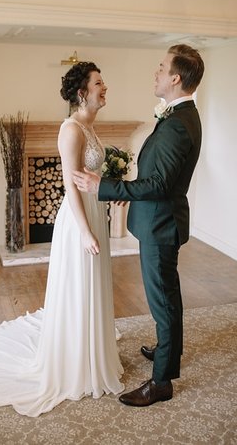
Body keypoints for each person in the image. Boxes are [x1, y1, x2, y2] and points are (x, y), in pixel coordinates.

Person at [0, 62, 123, 417]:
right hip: (79, 220)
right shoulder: (71, 130)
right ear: (82, 92)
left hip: (95, 212)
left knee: (95, 285)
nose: (105, 88)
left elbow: (91, 177)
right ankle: (75, 365)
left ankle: (92, 352)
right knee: (79, 286)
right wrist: (85, 231)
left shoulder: (91, 126)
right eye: (99, 83)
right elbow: (70, 187)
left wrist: (110, 192)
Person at [73, 44, 204, 407]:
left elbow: (160, 184)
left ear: (176, 78)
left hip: (160, 226)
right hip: (160, 220)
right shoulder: (181, 116)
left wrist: (106, 187)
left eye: (161, 68)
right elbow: (159, 176)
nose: (156, 73)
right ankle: (167, 352)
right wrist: (127, 192)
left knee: (163, 301)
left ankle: (161, 382)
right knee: (167, 297)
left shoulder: (178, 124)